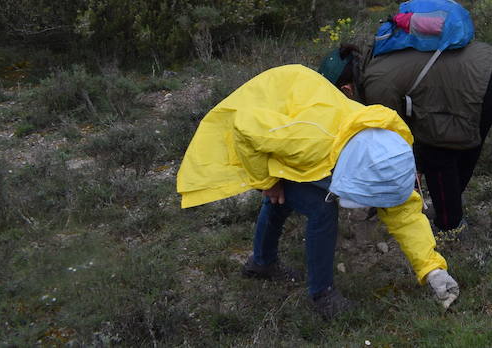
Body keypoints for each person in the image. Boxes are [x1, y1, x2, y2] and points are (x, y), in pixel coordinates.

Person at [175, 65, 460, 318]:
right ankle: (321, 294)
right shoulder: (307, 141)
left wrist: (432, 269)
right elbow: (244, 127)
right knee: (317, 206)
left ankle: (261, 263)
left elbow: (404, 212)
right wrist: (267, 181)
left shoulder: (386, 155)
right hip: (265, 110)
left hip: (298, 126)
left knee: (286, 195)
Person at [329, 39, 492, 236]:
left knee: (436, 153)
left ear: (346, 89)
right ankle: (451, 205)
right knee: (462, 141)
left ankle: (449, 226)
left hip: (483, 80)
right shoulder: (374, 57)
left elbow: (395, 136)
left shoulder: (377, 85)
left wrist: (413, 167)